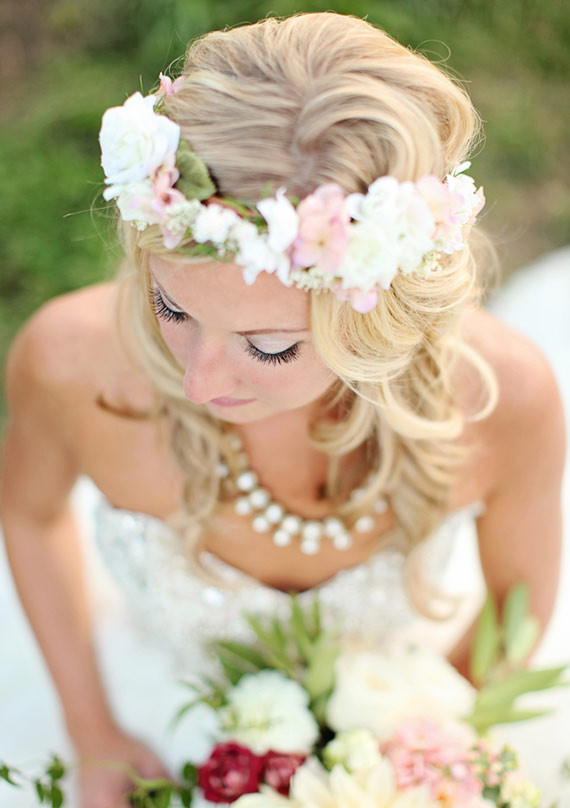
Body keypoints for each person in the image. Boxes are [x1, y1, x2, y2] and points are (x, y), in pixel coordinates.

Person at [0, 12, 565, 808]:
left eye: (267, 347)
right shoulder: (70, 365)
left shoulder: (502, 401)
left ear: (377, 316)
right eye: (172, 306)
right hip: (148, 714)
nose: (198, 381)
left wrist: (412, 764)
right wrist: (93, 733)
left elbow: (517, 606)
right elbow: (29, 518)